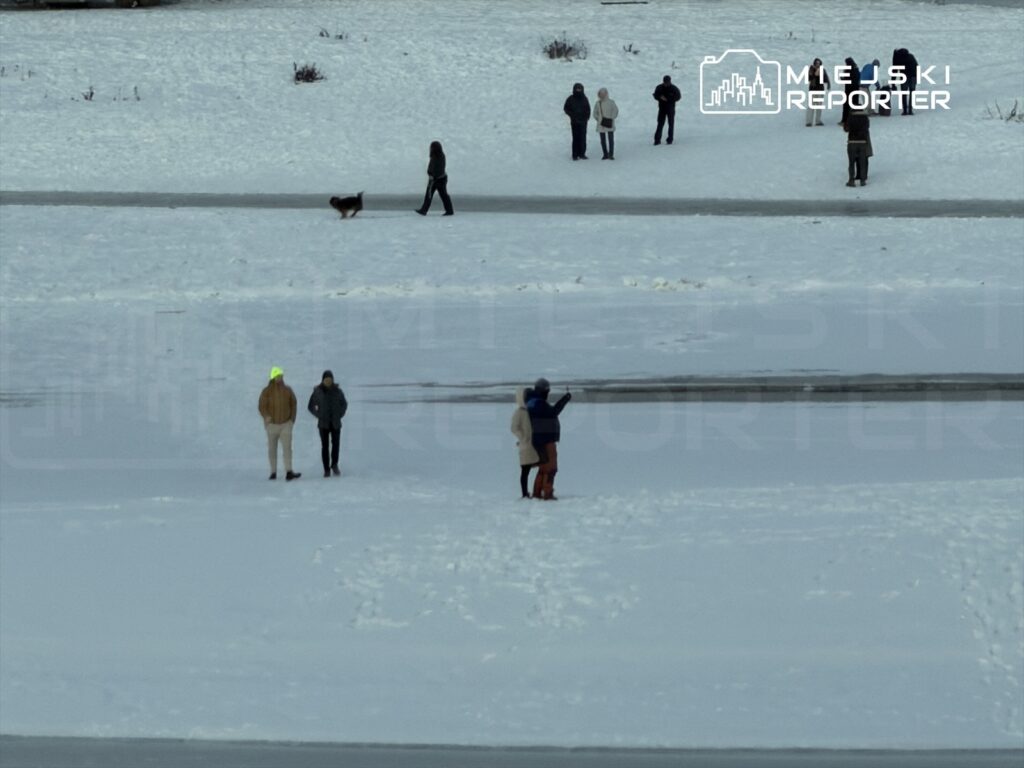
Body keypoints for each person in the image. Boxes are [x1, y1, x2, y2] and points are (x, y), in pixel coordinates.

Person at [527, 378, 571, 500]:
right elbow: (553, 412)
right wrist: (565, 399)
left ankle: (537, 493)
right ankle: (547, 493)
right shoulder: (538, 403)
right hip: (546, 439)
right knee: (551, 468)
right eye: (547, 391)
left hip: (538, 439)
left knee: (543, 468)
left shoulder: (532, 402)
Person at [258, 366, 300, 481]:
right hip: (272, 426)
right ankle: (273, 472)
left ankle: (289, 471)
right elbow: (262, 406)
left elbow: (294, 404)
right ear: (272, 377)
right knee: (272, 449)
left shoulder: (288, 390)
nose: (279, 378)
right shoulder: (266, 391)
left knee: (287, 449)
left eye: (281, 376)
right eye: (277, 376)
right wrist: (266, 417)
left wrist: (291, 420)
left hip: (286, 424)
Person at [308, 369, 348, 478]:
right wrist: (318, 414)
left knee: (336, 445)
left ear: (332, 380)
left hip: (335, 423)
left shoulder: (338, 391)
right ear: (323, 380)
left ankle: (334, 465)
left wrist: (340, 414)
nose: (328, 381)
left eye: (330, 379)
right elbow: (310, 406)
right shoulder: (317, 391)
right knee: (324, 447)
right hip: (323, 424)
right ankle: (326, 469)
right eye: (326, 379)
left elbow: (344, 404)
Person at [510, 387, 540, 498]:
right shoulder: (519, 413)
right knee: (525, 471)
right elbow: (514, 428)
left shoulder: (527, 411)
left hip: (531, 445)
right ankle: (524, 494)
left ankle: (533, 491)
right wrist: (523, 438)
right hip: (526, 445)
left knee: (536, 466)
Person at [414, 140, 454, 216]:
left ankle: (449, 210)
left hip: (438, 179)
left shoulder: (439, 157)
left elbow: (439, 169)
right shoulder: (436, 156)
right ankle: (424, 210)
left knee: (442, 195)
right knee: (431, 195)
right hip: (436, 179)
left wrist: (433, 176)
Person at [845, 101, 871, 187]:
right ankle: (863, 180)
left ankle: (851, 180)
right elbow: (867, 128)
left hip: (852, 142)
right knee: (862, 161)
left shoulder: (851, 117)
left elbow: (846, 129)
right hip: (863, 142)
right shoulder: (865, 118)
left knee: (851, 162)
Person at [563, 82, 591, 160]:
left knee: (583, 138)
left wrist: (586, 117)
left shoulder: (585, 98)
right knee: (575, 138)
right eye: (577, 89)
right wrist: (572, 115)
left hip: (583, 122)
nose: (578, 90)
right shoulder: (570, 98)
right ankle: (575, 155)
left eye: (580, 89)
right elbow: (566, 108)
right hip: (574, 122)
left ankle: (582, 153)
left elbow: (588, 109)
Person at [652, 75, 681, 145]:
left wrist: (669, 99)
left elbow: (678, 96)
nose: (666, 84)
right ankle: (657, 140)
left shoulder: (674, 88)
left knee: (671, 124)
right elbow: (655, 95)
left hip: (670, 109)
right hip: (662, 109)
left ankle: (670, 140)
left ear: (670, 81)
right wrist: (660, 97)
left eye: (667, 82)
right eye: (665, 82)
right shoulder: (659, 87)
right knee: (660, 124)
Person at [592, 87, 619, 160]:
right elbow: (595, 113)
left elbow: (615, 111)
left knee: (610, 139)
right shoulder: (598, 103)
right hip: (602, 124)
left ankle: (611, 154)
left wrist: (611, 118)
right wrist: (599, 119)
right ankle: (605, 154)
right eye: (601, 94)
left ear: (606, 94)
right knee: (603, 140)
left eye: (603, 94)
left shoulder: (611, 102)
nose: (602, 95)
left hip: (609, 123)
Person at [892, 48, 918, 115]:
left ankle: (905, 110)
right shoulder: (911, 56)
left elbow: (894, 71)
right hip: (913, 76)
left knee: (904, 93)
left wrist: (893, 83)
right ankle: (910, 110)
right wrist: (916, 78)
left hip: (904, 77)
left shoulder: (897, 59)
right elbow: (917, 66)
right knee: (912, 93)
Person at [806, 57, 831, 127]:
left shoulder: (822, 70)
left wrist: (828, 84)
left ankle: (818, 121)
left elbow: (826, 79)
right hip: (813, 90)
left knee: (819, 106)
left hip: (820, 90)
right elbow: (809, 78)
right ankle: (809, 121)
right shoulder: (811, 69)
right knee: (811, 106)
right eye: (816, 63)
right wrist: (815, 74)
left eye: (819, 63)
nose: (818, 65)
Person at [840, 57, 861, 128]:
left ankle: (845, 121)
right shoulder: (856, 69)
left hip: (848, 90)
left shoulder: (848, 70)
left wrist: (842, 77)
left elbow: (846, 79)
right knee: (854, 105)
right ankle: (855, 120)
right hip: (856, 90)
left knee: (846, 106)